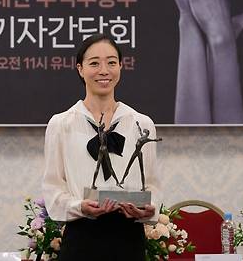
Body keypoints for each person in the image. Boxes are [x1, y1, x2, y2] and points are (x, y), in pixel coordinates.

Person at [42, 33, 160, 261]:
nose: (104, 70)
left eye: (111, 62)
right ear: (80, 69)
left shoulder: (141, 123)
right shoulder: (61, 124)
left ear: (121, 67)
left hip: (129, 239)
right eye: (94, 63)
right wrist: (79, 206)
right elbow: (53, 186)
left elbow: (153, 184)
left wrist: (148, 208)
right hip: (81, 237)